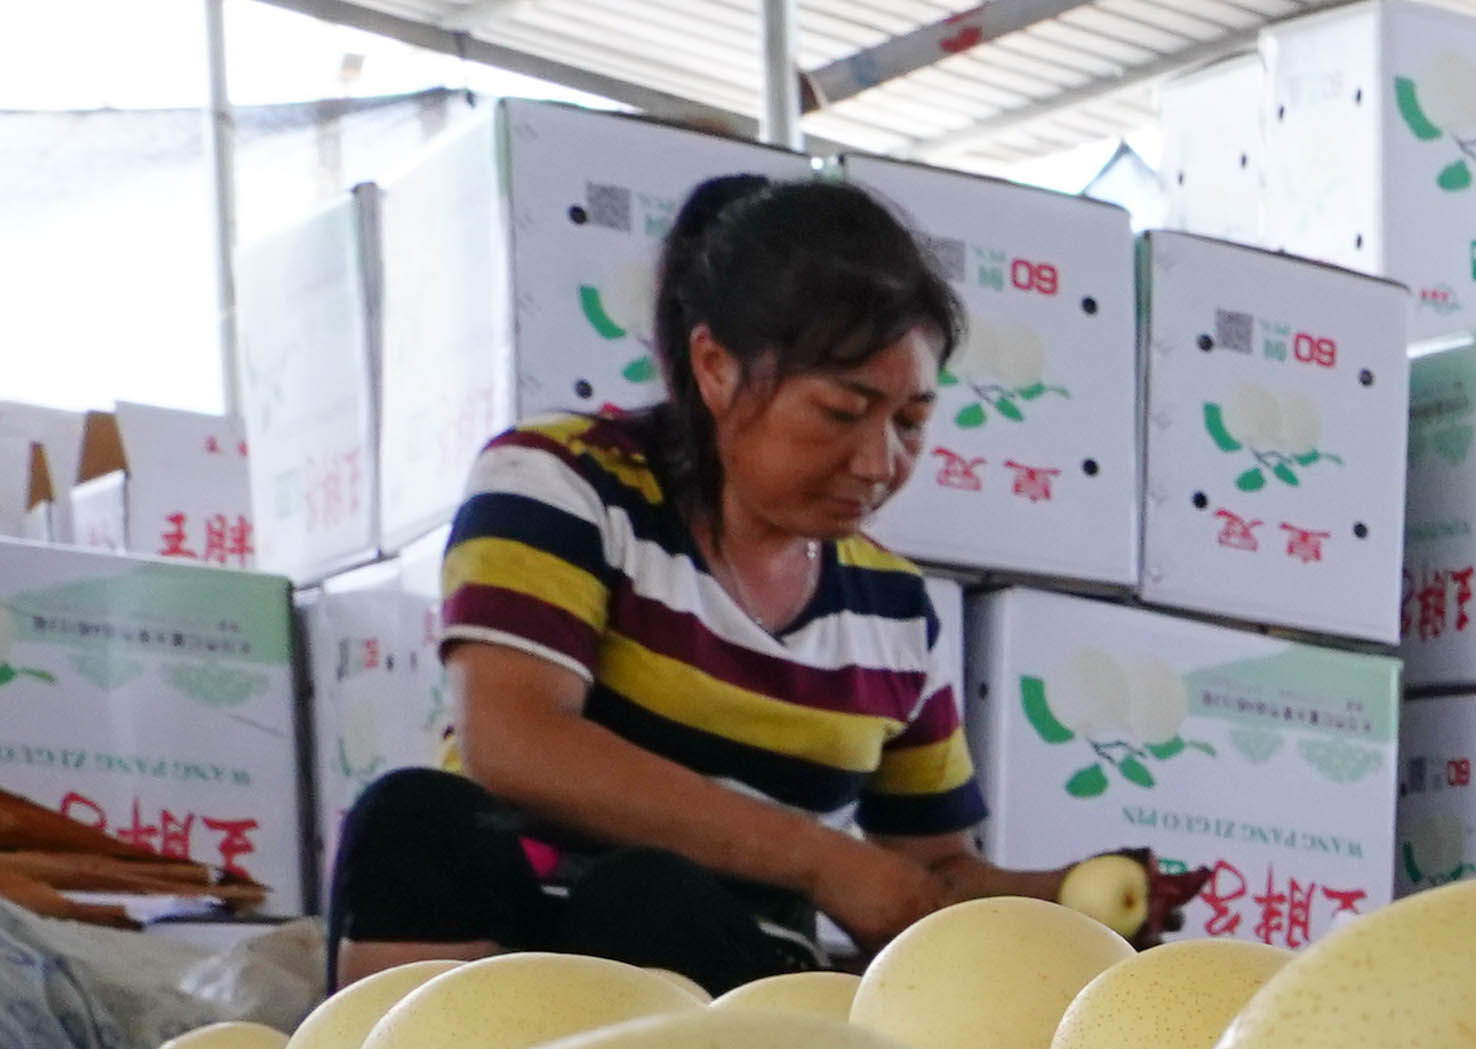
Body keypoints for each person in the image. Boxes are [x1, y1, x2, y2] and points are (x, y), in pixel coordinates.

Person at [337, 174, 1162, 995]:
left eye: (910, 423)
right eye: (842, 413)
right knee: (415, 821)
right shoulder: (565, 486)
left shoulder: (893, 610)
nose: (880, 464)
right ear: (716, 367)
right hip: (514, 947)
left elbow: (928, 874)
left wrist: (1065, 897)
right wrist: (818, 860)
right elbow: (513, 739)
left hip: (733, 976)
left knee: (654, 905)